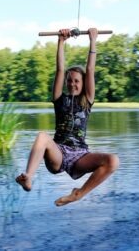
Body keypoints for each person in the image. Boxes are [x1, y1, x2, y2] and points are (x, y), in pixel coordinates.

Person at [16, 28, 119, 206]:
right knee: (42, 136)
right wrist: (61, 42)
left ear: (83, 83)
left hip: (80, 156)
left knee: (113, 161)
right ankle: (28, 177)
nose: (72, 84)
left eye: (77, 81)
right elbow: (60, 69)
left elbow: (90, 68)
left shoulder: (88, 99)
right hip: (59, 153)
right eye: (69, 80)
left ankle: (78, 194)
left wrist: (93, 41)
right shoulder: (59, 99)